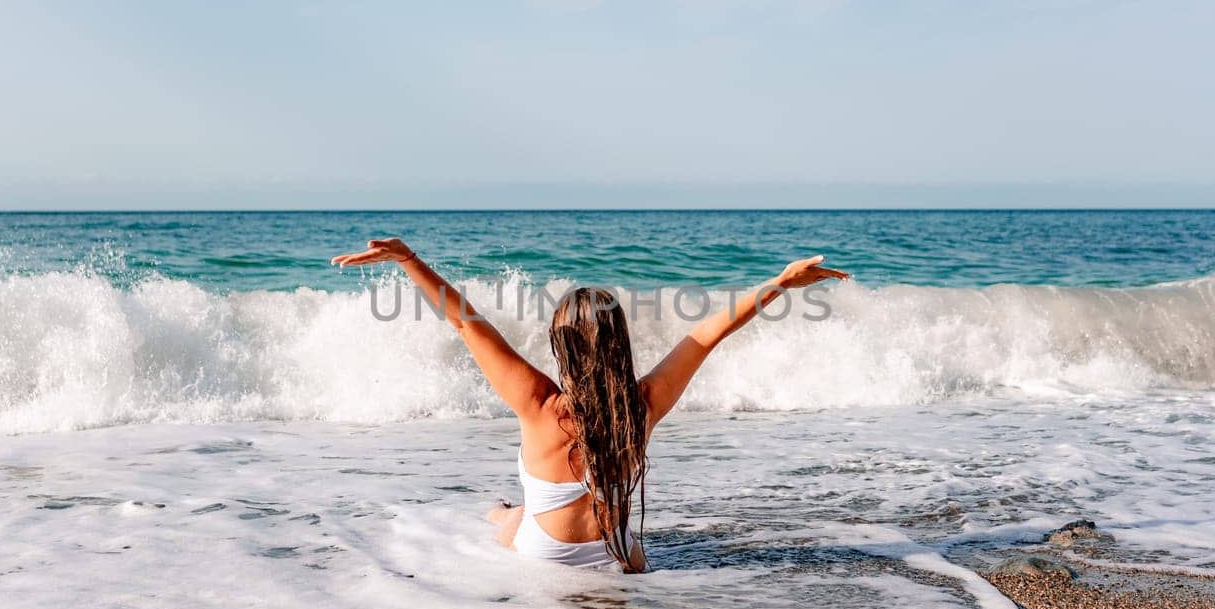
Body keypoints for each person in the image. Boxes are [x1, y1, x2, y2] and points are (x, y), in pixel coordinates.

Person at [332, 238, 848, 573]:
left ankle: (502, 512)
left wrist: (408, 260)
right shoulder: (643, 404)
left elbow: (465, 322)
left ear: (561, 348)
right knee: (533, 517)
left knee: (509, 520)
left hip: (547, 559)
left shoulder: (539, 403)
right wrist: (779, 283)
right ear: (620, 343)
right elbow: (706, 335)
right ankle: (509, 512)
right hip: (622, 560)